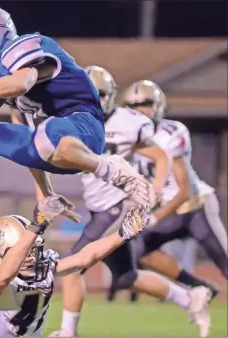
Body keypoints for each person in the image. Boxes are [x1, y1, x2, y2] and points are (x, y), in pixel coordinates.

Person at [0, 6, 155, 227]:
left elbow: (23, 82)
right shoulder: (4, 80)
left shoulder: (27, 45)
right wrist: (46, 195)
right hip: (55, 145)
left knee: (50, 132)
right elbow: (30, 142)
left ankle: (115, 172)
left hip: (85, 128)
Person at [49, 68, 212, 338]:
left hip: (118, 205)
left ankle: (68, 332)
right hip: (98, 206)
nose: (93, 99)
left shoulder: (129, 122)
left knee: (73, 267)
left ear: (111, 96)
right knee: (126, 277)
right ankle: (191, 297)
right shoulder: (74, 121)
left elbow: (161, 156)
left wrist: (157, 186)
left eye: (99, 94)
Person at [0, 195, 150, 337]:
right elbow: (3, 279)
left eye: (34, 250)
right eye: (25, 251)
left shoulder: (43, 268)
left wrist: (121, 235)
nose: (32, 256)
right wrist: (35, 227)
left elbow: (84, 258)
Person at [123, 80, 228, 285]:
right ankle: (199, 286)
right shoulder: (126, 139)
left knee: (225, 263)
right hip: (170, 212)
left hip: (196, 207)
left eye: (145, 104)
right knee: (138, 252)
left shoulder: (170, 132)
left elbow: (184, 190)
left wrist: (154, 217)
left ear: (158, 105)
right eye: (133, 106)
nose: (139, 111)